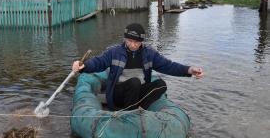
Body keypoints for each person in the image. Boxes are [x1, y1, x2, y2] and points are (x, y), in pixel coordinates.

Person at [72, 23, 204, 111]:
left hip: (137, 92)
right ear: (125, 39)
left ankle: (138, 108)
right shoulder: (114, 52)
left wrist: (189, 70)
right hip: (119, 92)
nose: (133, 45)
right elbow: (98, 62)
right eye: (129, 41)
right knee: (134, 82)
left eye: (136, 42)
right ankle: (129, 114)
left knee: (161, 84)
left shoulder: (149, 53)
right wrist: (83, 66)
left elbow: (168, 66)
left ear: (142, 41)